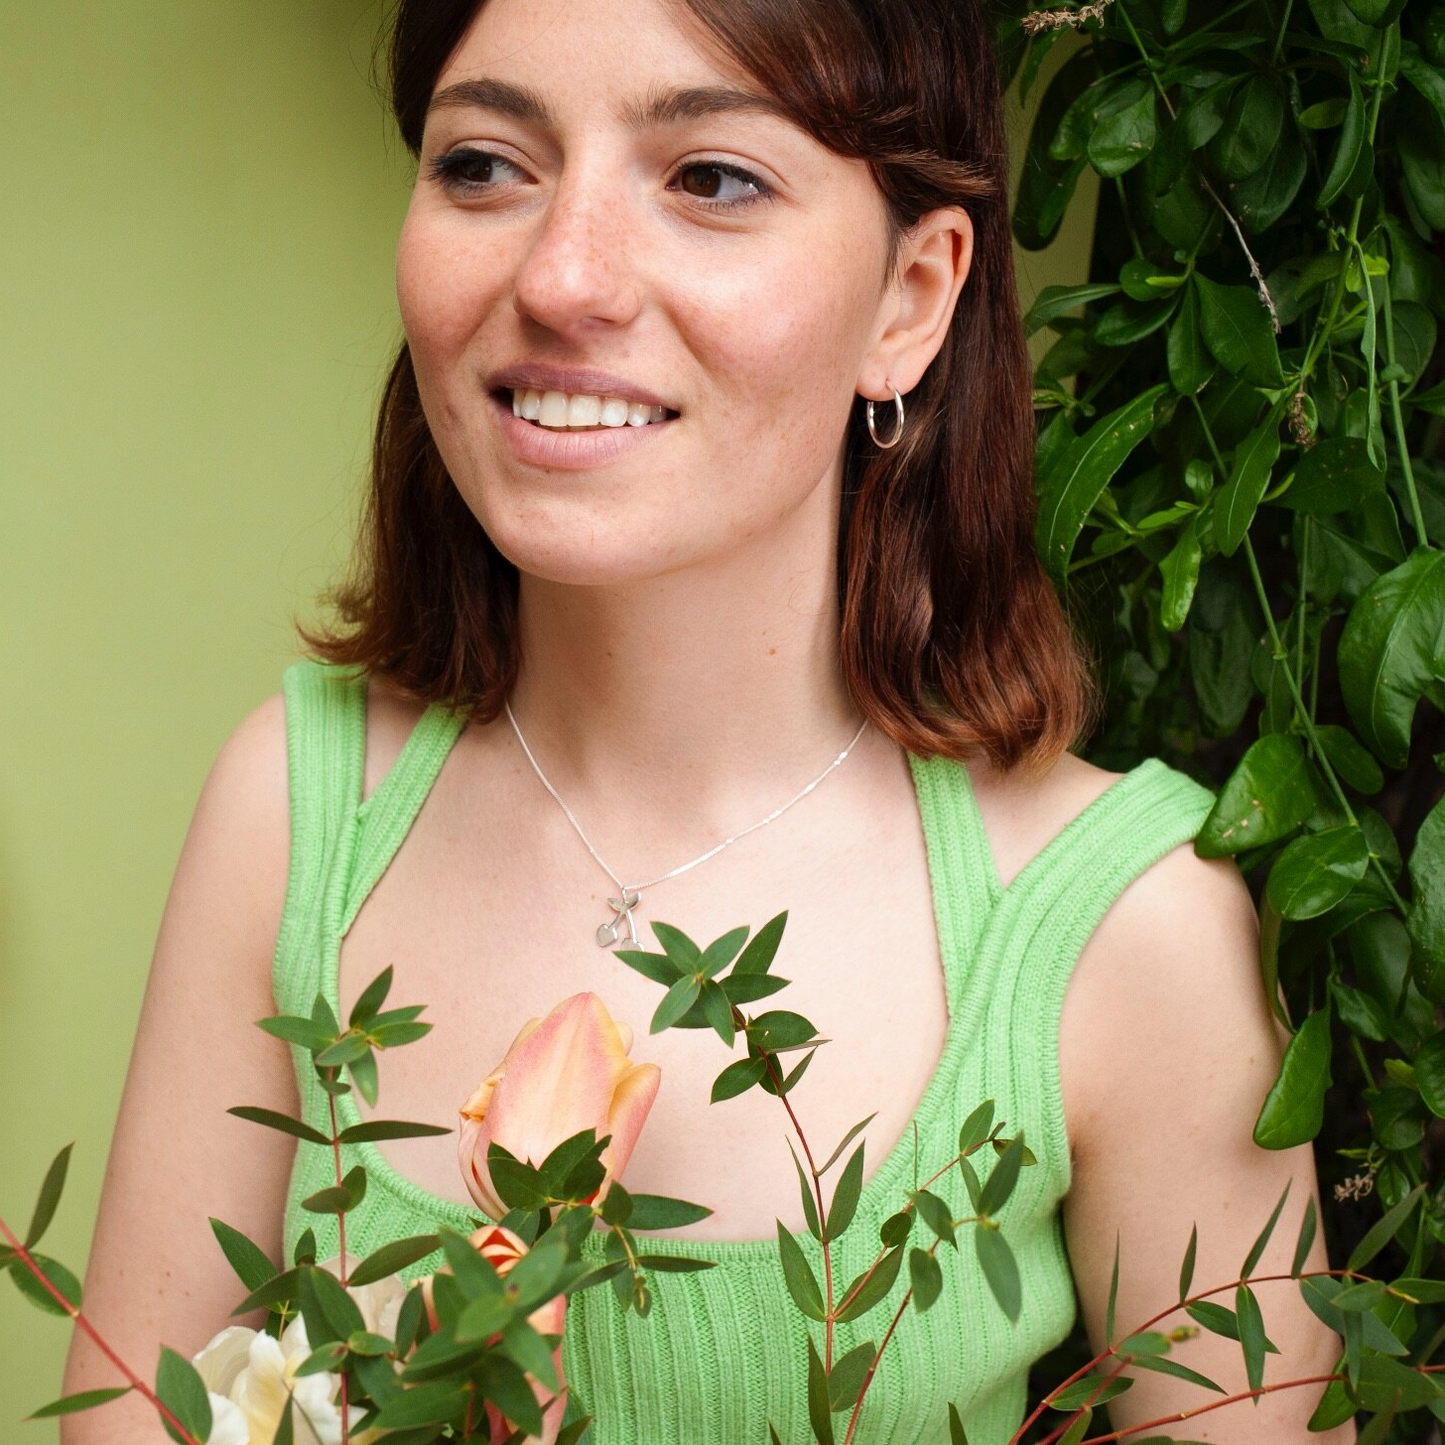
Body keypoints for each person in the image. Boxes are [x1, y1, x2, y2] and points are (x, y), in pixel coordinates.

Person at [62, 0, 1352, 1441]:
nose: (563, 277)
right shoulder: (295, 804)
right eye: (486, 162)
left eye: (712, 181)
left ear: (909, 299)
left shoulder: (1126, 931)